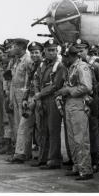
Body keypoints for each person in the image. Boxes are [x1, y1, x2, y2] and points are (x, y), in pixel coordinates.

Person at [56, 45, 93, 180]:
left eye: (65, 56)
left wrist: (69, 91)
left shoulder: (82, 67)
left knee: (81, 139)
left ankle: (86, 169)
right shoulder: (71, 67)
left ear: (71, 56)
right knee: (72, 139)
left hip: (78, 104)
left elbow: (87, 87)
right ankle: (77, 166)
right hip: (70, 104)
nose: (63, 59)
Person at [6, 41, 44, 163]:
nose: (34, 55)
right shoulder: (28, 63)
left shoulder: (32, 62)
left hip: (37, 97)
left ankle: (39, 154)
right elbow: (27, 82)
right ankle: (22, 153)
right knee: (23, 125)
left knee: (38, 127)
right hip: (27, 97)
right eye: (32, 52)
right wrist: (24, 98)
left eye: (36, 52)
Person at [31, 39, 67, 169]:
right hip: (42, 99)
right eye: (49, 50)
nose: (52, 53)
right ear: (44, 51)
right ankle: (43, 158)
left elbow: (55, 85)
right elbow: (35, 79)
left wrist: (39, 94)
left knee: (53, 130)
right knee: (42, 129)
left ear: (57, 51)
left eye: (54, 50)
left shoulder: (60, 66)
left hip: (53, 99)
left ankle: (54, 160)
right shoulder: (42, 64)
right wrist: (38, 96)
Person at [77, 40, 99, 173]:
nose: (79, 52)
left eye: (82, 50)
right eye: (77, 50)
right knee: (83, 131)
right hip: (82, 99)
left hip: (93, 100)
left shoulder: (94, 65)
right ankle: (84, 160)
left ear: (87, 50)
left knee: (93, 130)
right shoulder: (77, 65)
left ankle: (94, 160)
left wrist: (93, 90)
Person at [9, 38, 32, 145]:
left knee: (23, 125)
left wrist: (25, 97)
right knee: (17, 124)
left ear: (20, 47)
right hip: (15, 95)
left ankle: (23, 152)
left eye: (14, 46)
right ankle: (18, 149)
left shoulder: (27, 60)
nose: (12, 49)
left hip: (22, 96)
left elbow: (28, 81)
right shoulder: (17, 61)